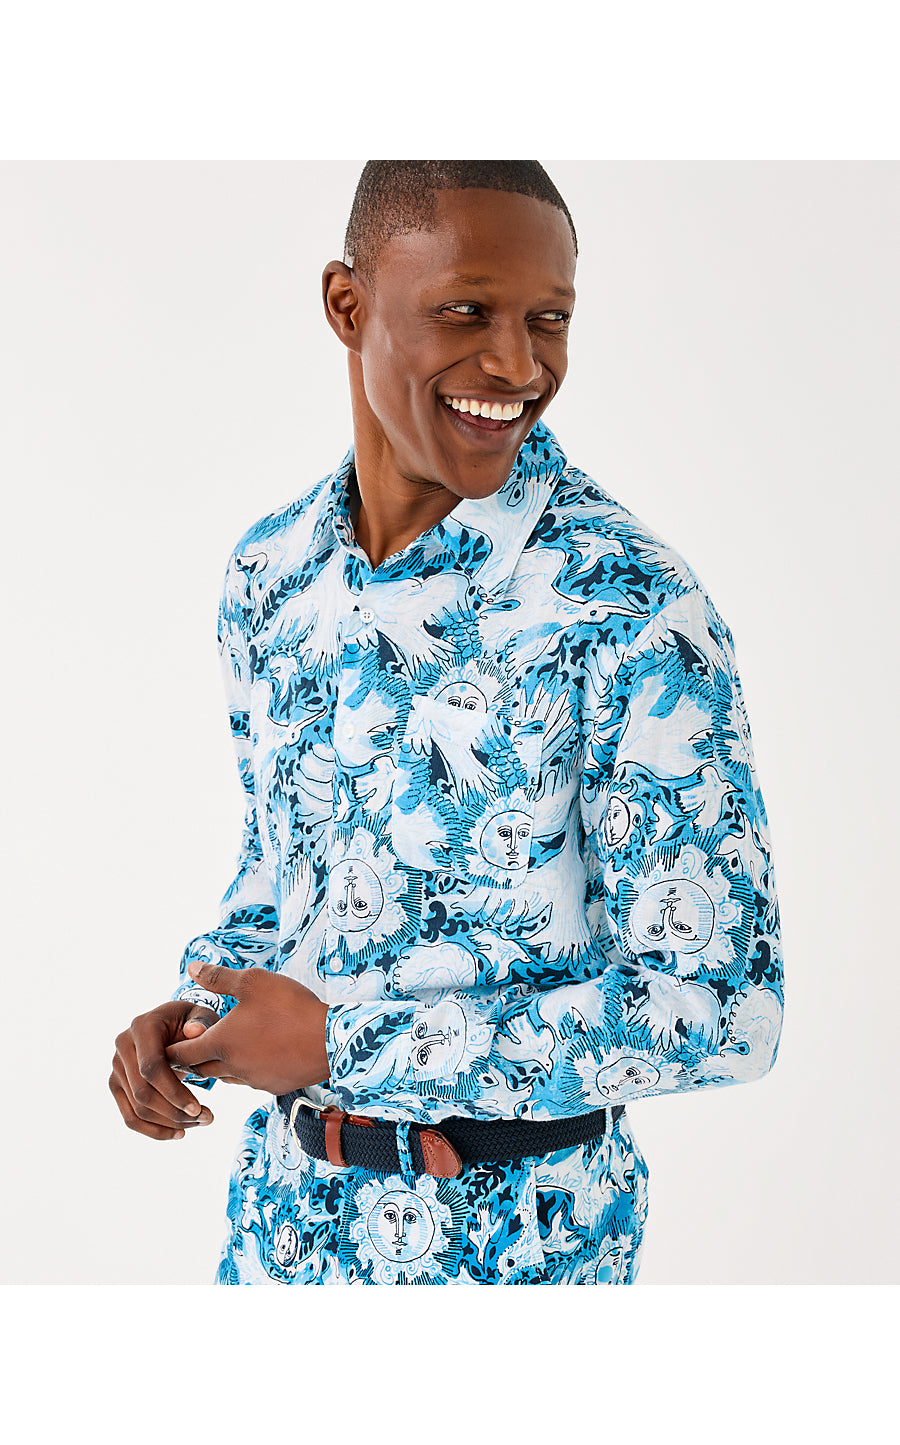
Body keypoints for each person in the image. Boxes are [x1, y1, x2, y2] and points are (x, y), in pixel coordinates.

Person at [109, 160, 783, 1286]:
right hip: (278, 1234)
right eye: (467, 310)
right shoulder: (270, 577)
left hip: (522, 1260)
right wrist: (202, 1008)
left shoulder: (630, 607)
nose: (518, 364)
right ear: (347, 304)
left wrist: (341, 1044)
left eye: (549, 318)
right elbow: (283, 867)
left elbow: (723, 1008)